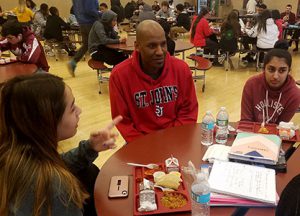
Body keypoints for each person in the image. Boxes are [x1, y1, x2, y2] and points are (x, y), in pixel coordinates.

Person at [0, 73, 122, 216]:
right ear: (47, 121)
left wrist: (90, 147)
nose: (79, 111)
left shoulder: (14, 154)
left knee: (89, 171)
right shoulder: (56, 188)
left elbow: (60, 162)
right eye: (71, 108)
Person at [109, 20, 198, 143]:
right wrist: (148, 147)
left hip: (175, 139)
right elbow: (123, 121)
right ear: (137, 46)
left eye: (163, 44)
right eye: (152, 46)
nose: (160, 52)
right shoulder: (119, 75)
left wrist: (171, 139)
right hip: (140, 143)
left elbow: (188, 111)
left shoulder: (181, 69)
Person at [240, 48, 300, 124]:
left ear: (289, 71)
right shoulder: (251, 84)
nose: (275, 76)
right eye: (271, 70)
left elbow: (281, 127)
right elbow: (246, 121)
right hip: (250, 132)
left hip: (276, 134)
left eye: (282, 71)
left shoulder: (295, 95)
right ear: (263, 69)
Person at [68, 0, 100, 77]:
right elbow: (90, 10)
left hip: (82, 23)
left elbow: (75, 10)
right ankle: (99, 65)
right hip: (91, 22)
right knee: (98, 43)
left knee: (86, 45)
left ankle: (73, 61)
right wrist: (101, 14)